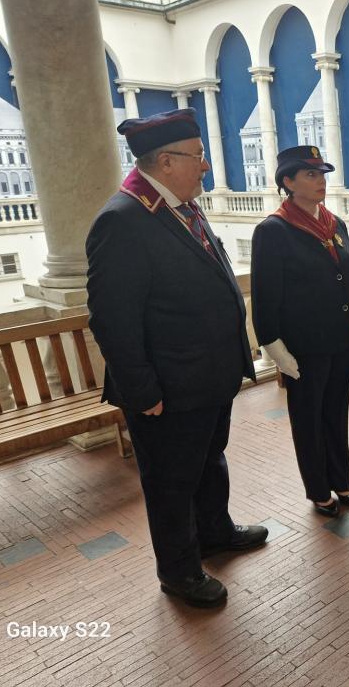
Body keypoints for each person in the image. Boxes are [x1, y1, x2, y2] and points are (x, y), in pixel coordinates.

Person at [86, 108, 266, 609]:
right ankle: (180, 572)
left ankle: (215, 532)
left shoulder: (180, 205)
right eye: (198, 157)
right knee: (171, 482)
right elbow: (113, 322)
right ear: (165, 161)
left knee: (209, 461)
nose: (205, 166)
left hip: (207, 377)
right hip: (167, 388)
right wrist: (144, 394)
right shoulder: (122, 221)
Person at [251, 145, 349, 518]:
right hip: (304, 345)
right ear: (288, 181)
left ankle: (341, 478)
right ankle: (318, 488)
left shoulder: (334, 223)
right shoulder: (273, 230)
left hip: (339, 338)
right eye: (311, 175)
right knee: (308, 417)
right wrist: (274, 346)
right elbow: (265, 295)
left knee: (336, 412)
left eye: (323, 174)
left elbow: (344, 277)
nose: (321, 182)